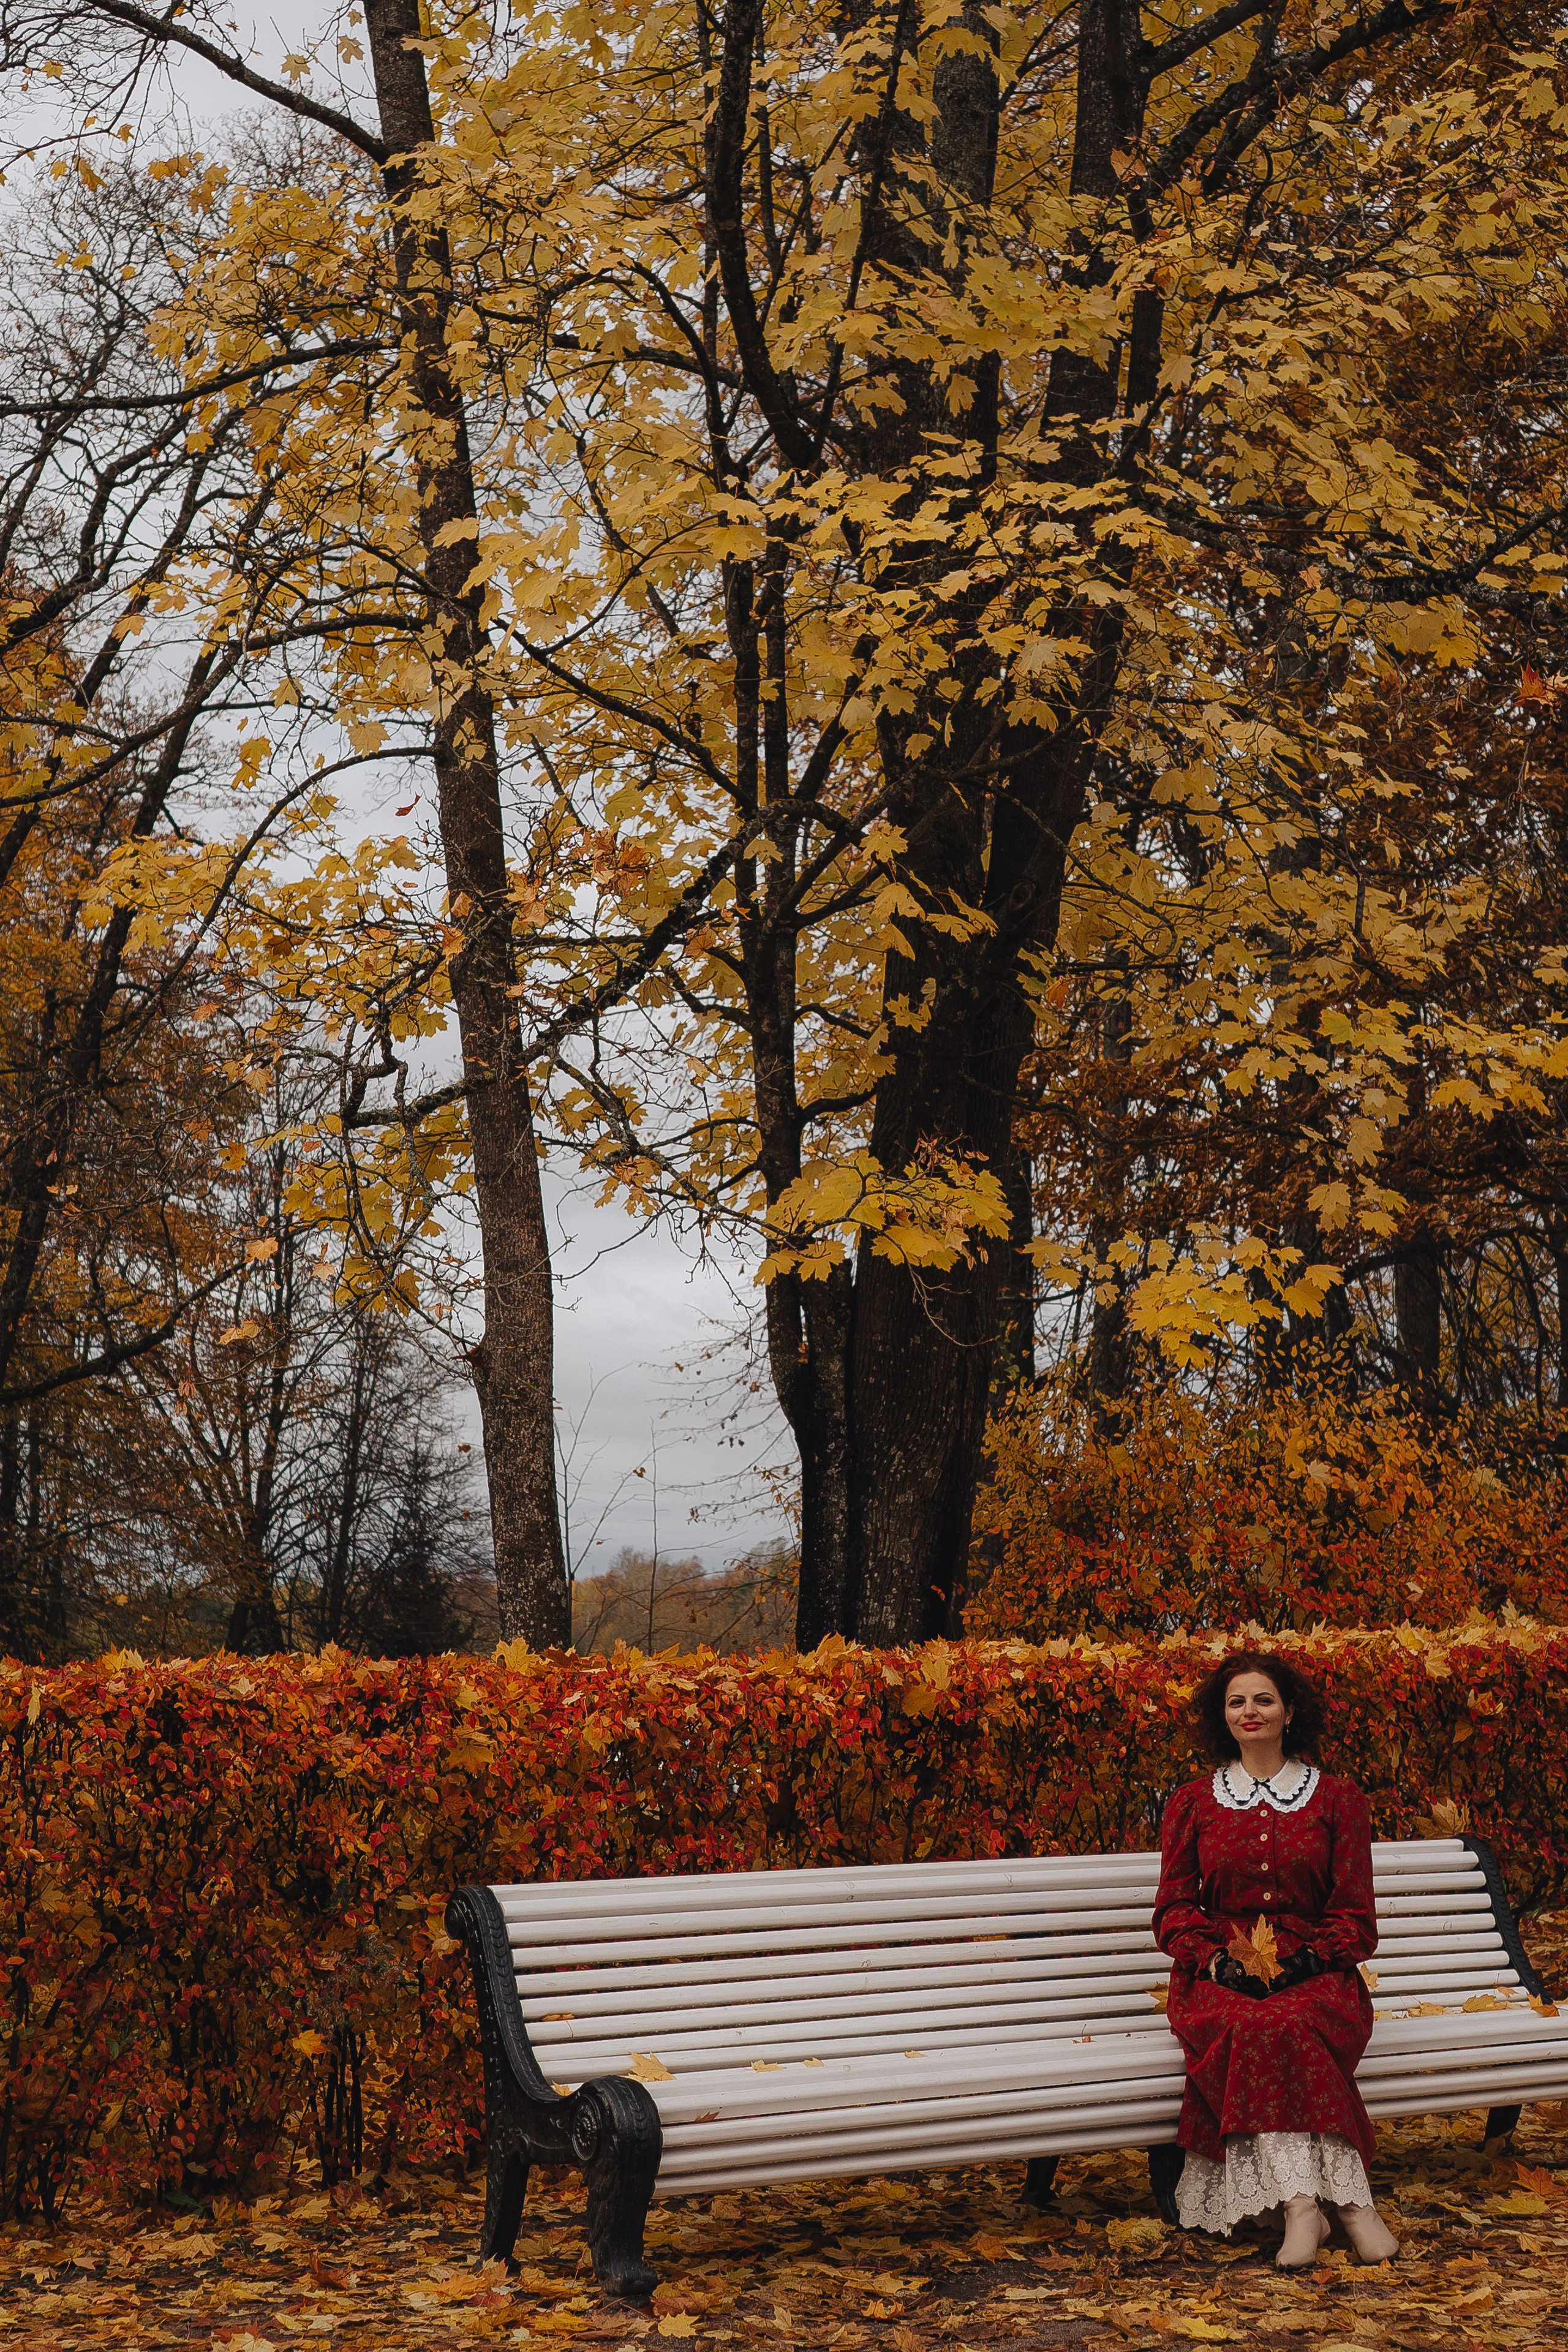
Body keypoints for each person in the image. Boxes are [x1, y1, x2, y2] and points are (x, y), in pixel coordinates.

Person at [1152, 1650, 1401, 2266]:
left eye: (1263, 1699)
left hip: (1317, 1973)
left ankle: (1337, 2208)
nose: (1249, 1712)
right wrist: (1212, 1960)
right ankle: (1317, 2208)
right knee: (1255, 2022)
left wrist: (1310, 1960)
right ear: (1223, 1716)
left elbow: (1355, 1916)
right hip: (1217, 1978)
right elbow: (1173, 1909)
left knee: (1287, 2021)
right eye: (1236, 1701)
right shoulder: (1193, 1802)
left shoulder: (1338, 1799)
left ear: (1289, 1711)